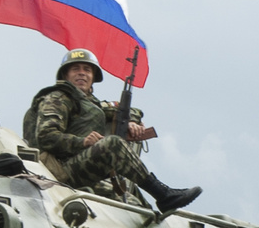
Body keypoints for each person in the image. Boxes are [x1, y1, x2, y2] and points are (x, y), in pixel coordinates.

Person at [27, 49, 202, 213]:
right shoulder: (57, 98)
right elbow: (46, 136)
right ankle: (163, 194)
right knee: (113, 144)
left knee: (134, 205)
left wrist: (131, 121)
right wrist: (83, 142)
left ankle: (157, 214)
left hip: (78, 172)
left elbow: (125, 110)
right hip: (57, 172)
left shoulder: (90, 103)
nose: (82, 73)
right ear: (65, 75)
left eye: (87, 69)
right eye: (75, 69)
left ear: (93, 77)